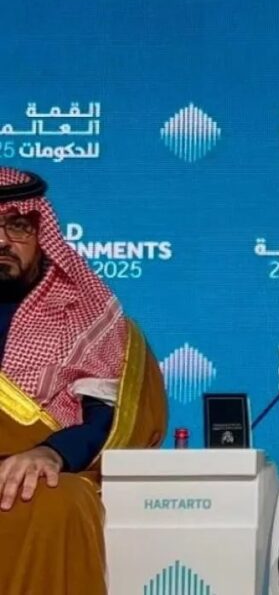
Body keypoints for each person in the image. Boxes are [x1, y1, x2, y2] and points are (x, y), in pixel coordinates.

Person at [0, 168, 167, 595]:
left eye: (17, 226)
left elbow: (109, 420)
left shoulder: (83, 314)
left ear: (41, 233)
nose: (2, 241)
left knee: (54, 502)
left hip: (34, 468)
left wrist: (52, 452)